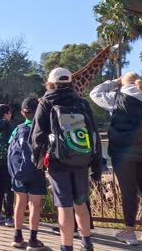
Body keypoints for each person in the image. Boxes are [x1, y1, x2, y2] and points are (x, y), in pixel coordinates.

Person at [29, 68, 102, 251]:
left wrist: (37, 161)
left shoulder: (46, 102)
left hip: (58, 161)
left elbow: (37, 135)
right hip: (82, 160)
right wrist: (96, 165)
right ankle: (87, 244)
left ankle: (66, 247)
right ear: (70, 82)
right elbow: (94, 135)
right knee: (81, 203)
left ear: (50, 83)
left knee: (64, 206)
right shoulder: (82, 103)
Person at [90, 72, 142, 245]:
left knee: (129, 193)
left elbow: (95, 93)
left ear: (123, 84)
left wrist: (114, 82)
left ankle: (129, 232)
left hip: (124, 154)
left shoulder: (117, 98)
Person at [7, 97, 46, 250]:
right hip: (37, 171)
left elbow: (10, 147)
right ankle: (33, 240)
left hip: (19, 173)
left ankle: (17, 237)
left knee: (20, 202)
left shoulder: (18, 129)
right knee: (34, 204)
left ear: (23, 113)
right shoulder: (42, 128)